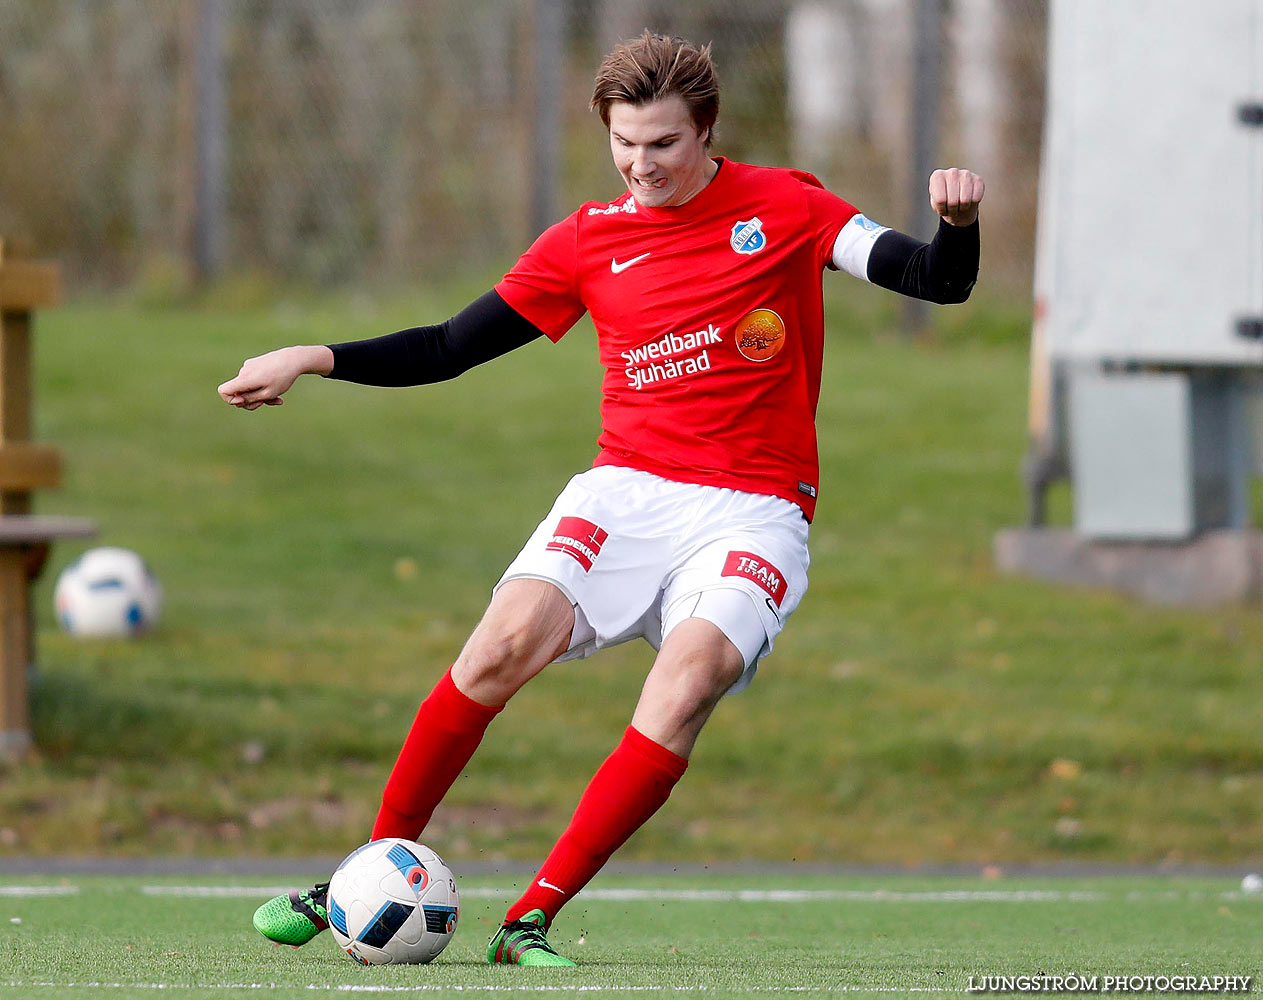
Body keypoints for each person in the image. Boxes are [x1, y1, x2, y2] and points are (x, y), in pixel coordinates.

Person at [220, 31, 983, 967]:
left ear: (705, 131)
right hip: (625, 491)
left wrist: (956, 225)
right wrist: (310, 356)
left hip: (754, 508)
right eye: (624, 143)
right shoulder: (586, 241)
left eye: (661, 144)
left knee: (689, 680)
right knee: (495, 649)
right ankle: (356, 875)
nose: (641, 164)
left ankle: (529, 919)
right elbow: (446, 348)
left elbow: (935, 281)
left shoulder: (789, 207)